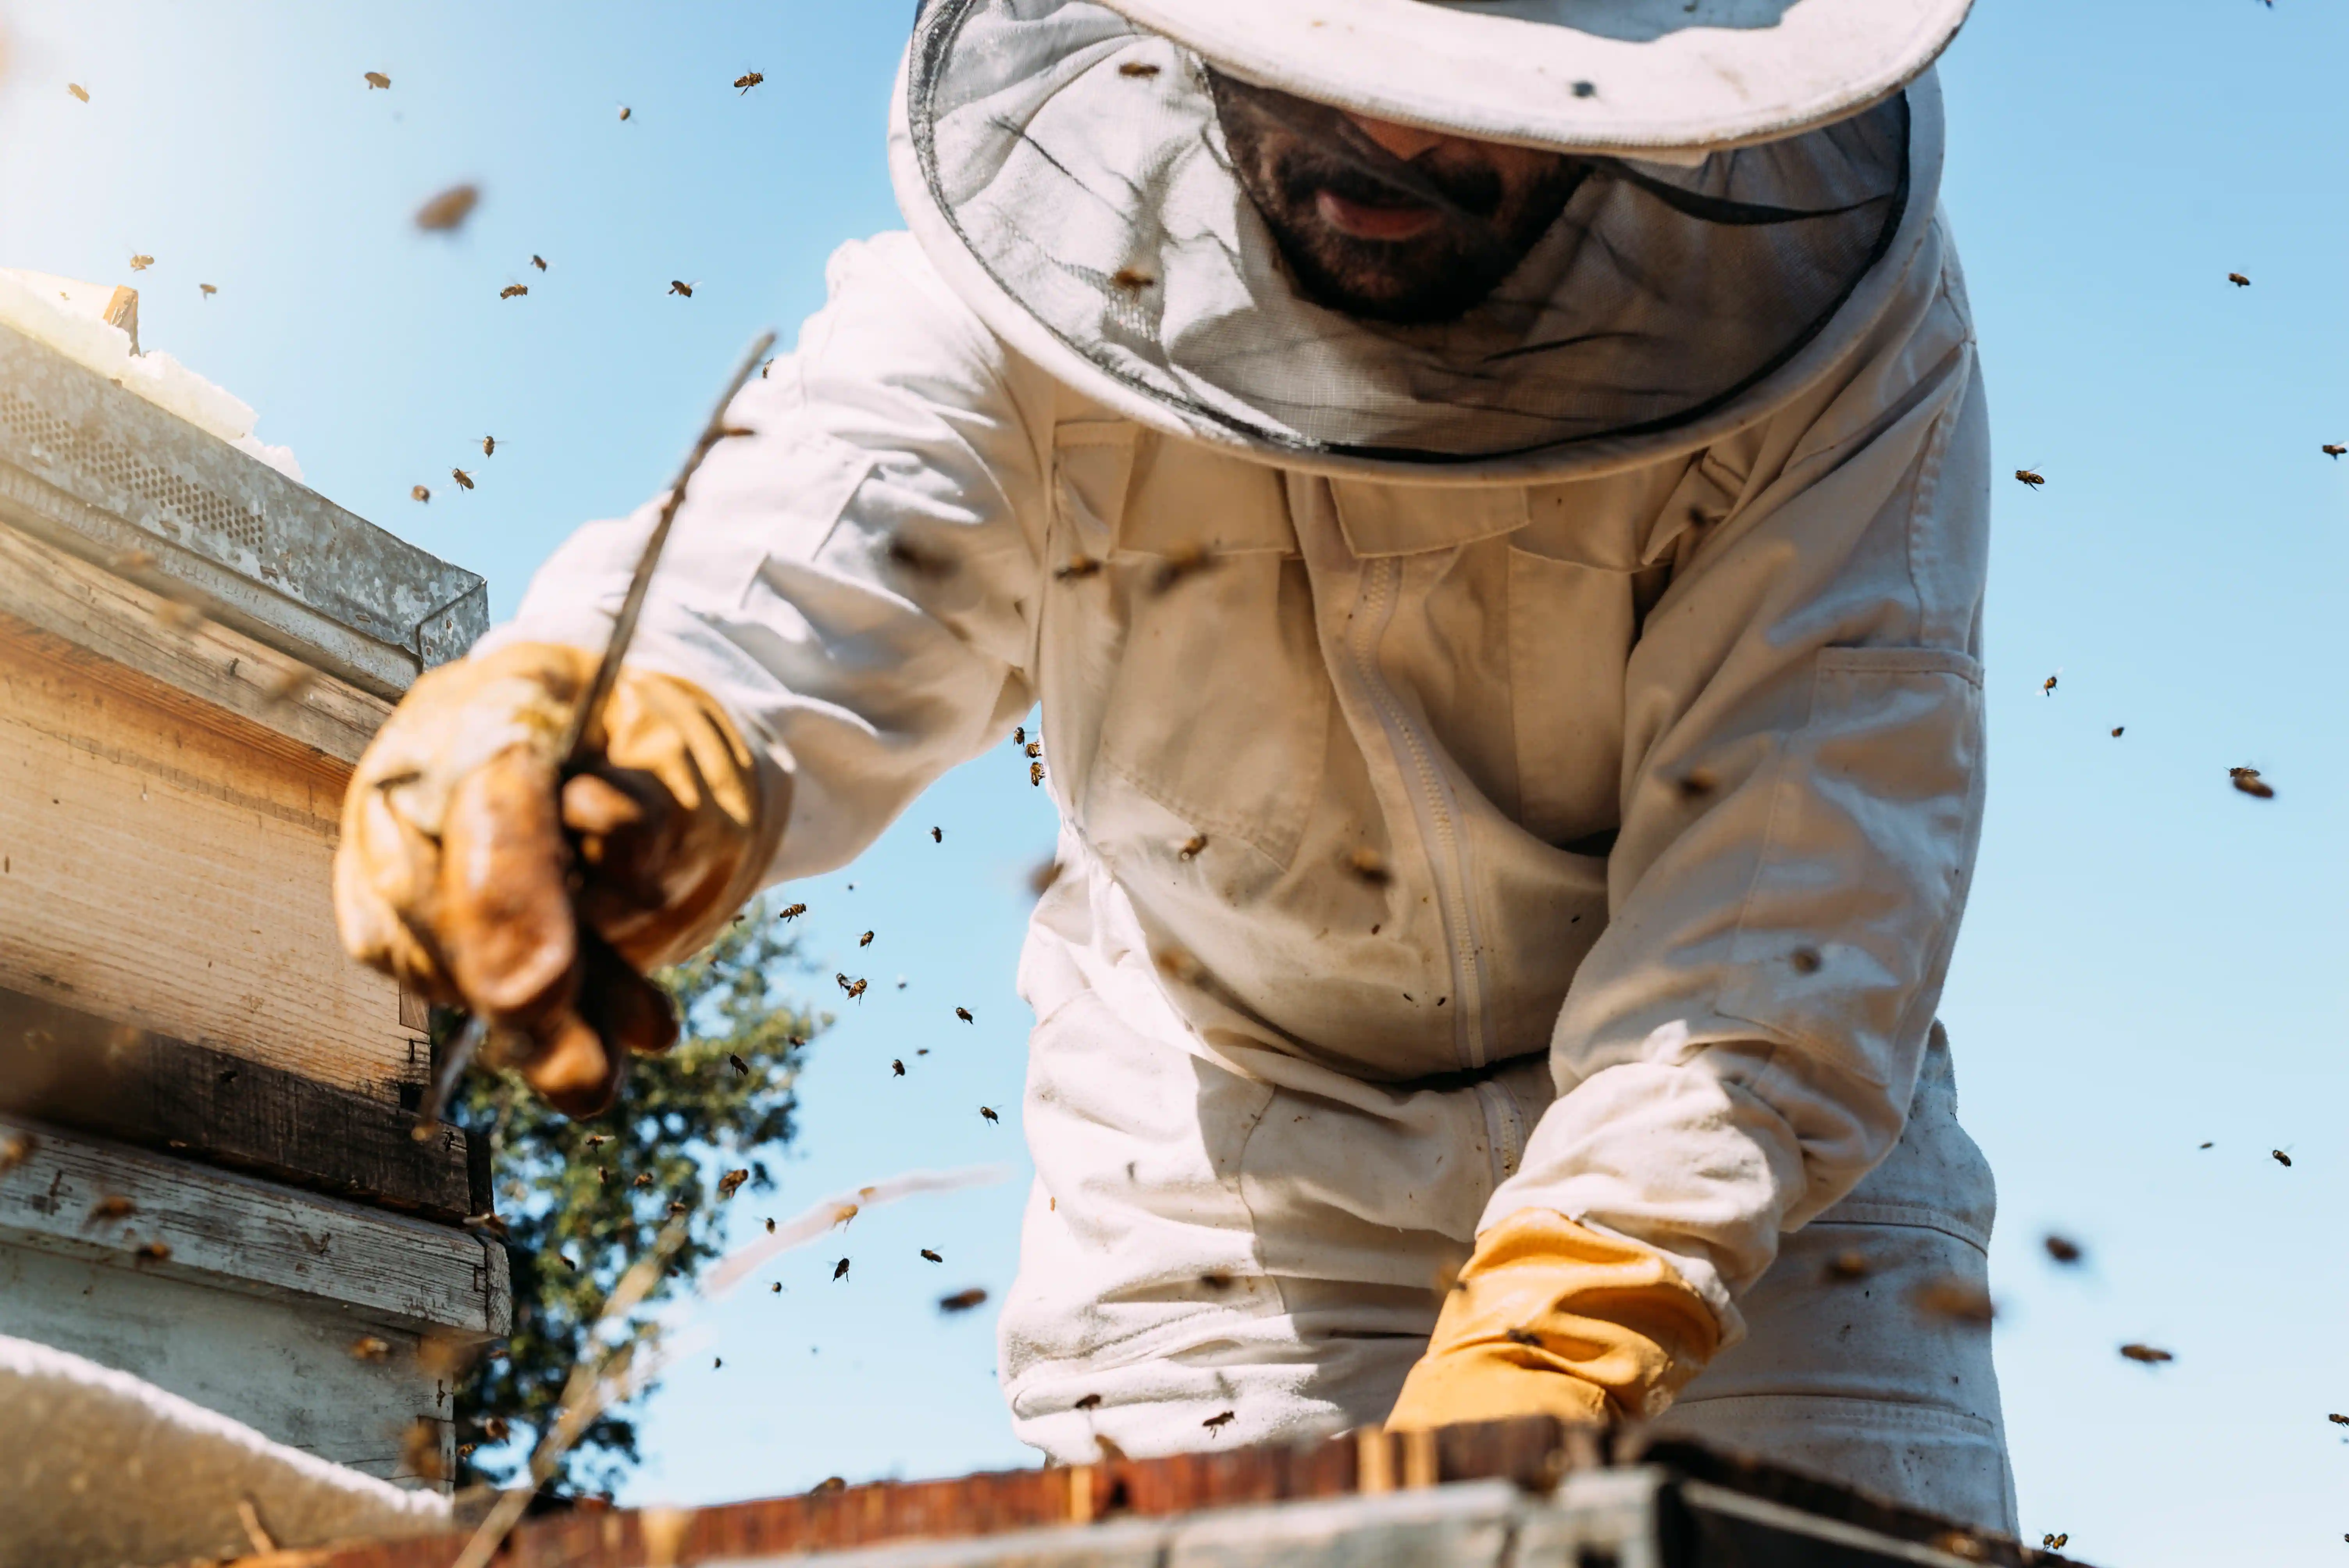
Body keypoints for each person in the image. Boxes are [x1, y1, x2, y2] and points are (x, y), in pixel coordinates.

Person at [337, 0, 2014, 1531]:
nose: (1403, 140)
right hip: (1227, 1193)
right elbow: (810, 541)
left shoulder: (1830, 350)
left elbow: (1790, 892)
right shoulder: (1009, 298)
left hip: (1757, 1203)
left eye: (1483, 76)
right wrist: (626, 737)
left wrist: (1563, 1333)